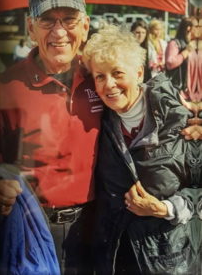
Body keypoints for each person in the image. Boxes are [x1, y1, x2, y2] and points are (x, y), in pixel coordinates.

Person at [0, 0, 103, 275]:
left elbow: (141, 116)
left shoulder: (102, 78)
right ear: (30, 27)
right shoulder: (7, 86)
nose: (59, 32)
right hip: (31, 230)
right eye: (47, 20)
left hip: (94, 226)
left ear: (85, 26)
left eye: (69, 19)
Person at [82, 24, 198, 275]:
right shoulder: (99, 123)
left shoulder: (180, 121)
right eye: (100, 76)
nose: (109, 84)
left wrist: (166, 209)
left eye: (117, 73)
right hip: (112, 258)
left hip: (167, 260)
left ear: (139, 72)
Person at [165, 17, 195, 92]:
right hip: (178, 89)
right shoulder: (175, 44)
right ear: (188, 29)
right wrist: (184, 53)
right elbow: (170, 63)